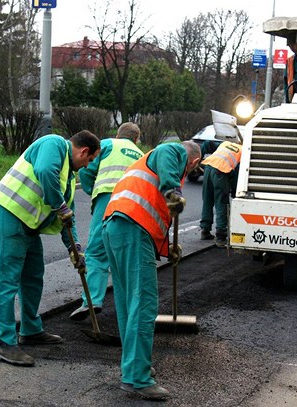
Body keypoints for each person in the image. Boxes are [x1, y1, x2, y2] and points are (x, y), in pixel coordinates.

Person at [0, 131, 101, 367]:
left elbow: (68, 217)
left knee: (34, 276)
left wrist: (75, 249)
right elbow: (45, 172)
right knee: (7, 281)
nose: (86, 166)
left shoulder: (67, 176)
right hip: (7, 215)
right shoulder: (54, 144)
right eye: (89, 161)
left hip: (27, 226)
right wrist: (59, 206)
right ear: (84, 151)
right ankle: (5, 344)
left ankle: (30, 329)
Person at [102, 141, 201, 400]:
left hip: (117, 228)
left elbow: (152, 210)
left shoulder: (147, 165)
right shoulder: (175, 152)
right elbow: (170, 150)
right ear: (194, 163)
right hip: (133, 228)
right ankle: (138, 378)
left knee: (127, 304)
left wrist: (168, 249)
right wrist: (172, 190)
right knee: (144, 304)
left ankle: (133, 367)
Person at [69, 122, 144, 321]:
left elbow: (86, 169)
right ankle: (130, 307)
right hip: (134, 204)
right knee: (125, 255)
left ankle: (92, 301)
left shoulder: (108, 144)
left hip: (108, 197)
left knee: (96, 250)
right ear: (136, 139)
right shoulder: (140, 154)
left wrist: (92, 189)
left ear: (119, 135)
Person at [199, 140, 242, 247]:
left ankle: (205, 230)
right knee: (222, 203)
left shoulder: (226, 143)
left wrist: (199, 158)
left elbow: (207, 144)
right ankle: (221, 237)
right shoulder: (243, 152)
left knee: (207, 200)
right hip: (221, 173)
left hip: (208, 168)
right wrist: (235, 192)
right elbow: (237, 175)